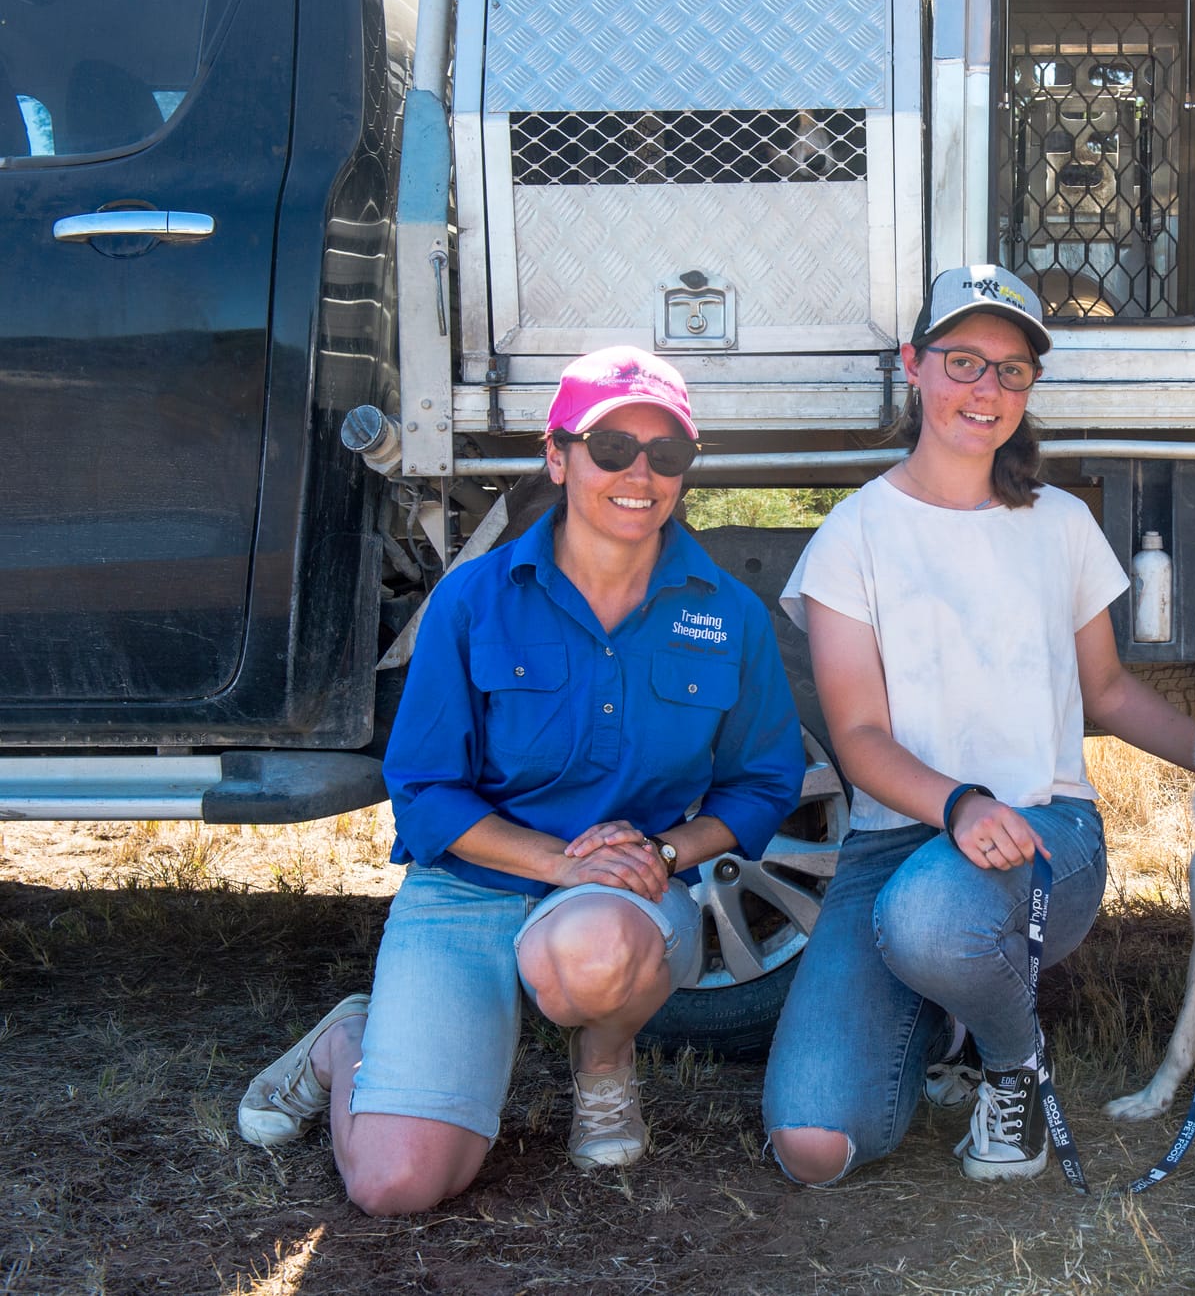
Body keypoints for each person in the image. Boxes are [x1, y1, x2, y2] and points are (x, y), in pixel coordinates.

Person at [237, 347, 806, 1215]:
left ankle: (605, 1065)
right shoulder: (473, 600)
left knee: (590, 950)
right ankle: (348, 1038)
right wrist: (558, 862)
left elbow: (764, 782)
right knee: (397, 1184)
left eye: (667, 453)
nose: (639, 473)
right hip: (469, 886)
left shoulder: (727, 614)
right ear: (558, 455)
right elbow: (424, 789)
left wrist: (662, 848)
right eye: (611, 447)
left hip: (621, 899)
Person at [763, 264, 1195, 1185]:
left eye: (1011, 371)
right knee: (815, 1146)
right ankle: (946, 1004)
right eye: (964, 361)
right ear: (914, 365)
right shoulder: (852, 535)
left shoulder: (1062, 524)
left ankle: (1011, 1066)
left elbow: (1111, 691)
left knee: (930, 918)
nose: (986, 390)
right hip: (897, 842)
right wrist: (956, 804)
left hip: (1046, 831)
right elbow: (861, 739)